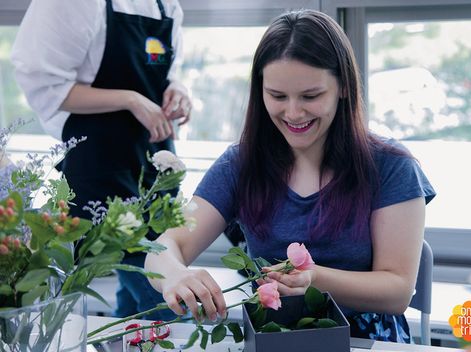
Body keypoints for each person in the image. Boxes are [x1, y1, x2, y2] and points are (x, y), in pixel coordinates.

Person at [145, 9, 436, 343]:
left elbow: (397, 291)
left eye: (311, 96)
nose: (294, 113)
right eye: (278, 96)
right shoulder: (240, 165)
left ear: (343, 86)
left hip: (367, 341)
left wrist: (313, 278)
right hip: (274, 335)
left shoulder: (392, 166)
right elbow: (165, 245)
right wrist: (173, 274)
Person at [11, 0, 191, 320]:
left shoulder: (165, 5)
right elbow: (45, 85)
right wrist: (129, 99)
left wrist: (176, 89)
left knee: (135, 303)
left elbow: (165, 70)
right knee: (169, 298)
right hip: (101, 174)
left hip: (154, 168)